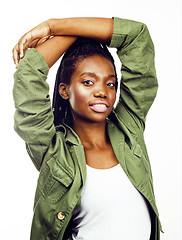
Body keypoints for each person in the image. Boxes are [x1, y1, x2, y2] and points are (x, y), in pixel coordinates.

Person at [12, 17, 162, 240]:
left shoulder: (129, 130)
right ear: (65, 90)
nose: (102, 91)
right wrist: (77, 34)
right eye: (88, 82)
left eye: (110, 83)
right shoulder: (53, 149)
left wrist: (55, 26)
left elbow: (137, 37)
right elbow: (29, 75)